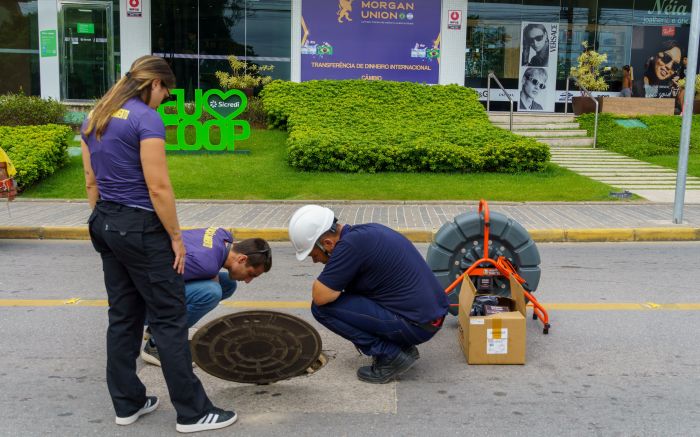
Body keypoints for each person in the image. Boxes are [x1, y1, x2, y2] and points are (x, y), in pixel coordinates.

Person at [81, 55, 236, 433]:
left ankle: (128, 404)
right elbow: (158, 187)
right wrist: (176, 238)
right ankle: (193, 412)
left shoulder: (97, 115)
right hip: (141, 228)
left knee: (123, 317)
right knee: (169, 319)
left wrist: (106, 220)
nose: (165, 99)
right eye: (165, 91)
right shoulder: (145, 118)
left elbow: (90, 180)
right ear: (154, 84)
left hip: (104, 222)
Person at [288, 205, 449, 384]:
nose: (315, 260)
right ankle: (402, 347)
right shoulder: (365, 232)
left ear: (327, 244)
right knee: (350, 294)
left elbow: (320, 295)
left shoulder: (349, 247)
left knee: (321, 309)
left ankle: (391, 355)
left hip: (416, 325)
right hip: (428, 318)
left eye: (314, 254)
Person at [141, 229, 272, 366]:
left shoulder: (223, 235)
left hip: (156, 275)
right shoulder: (205, 264)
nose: (248, 280)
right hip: (139, 299)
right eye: (251, 274)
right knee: (211, 293)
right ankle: (158, 344)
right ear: (242, 258)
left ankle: (156, 327)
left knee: (227, 284)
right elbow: (161, 288)